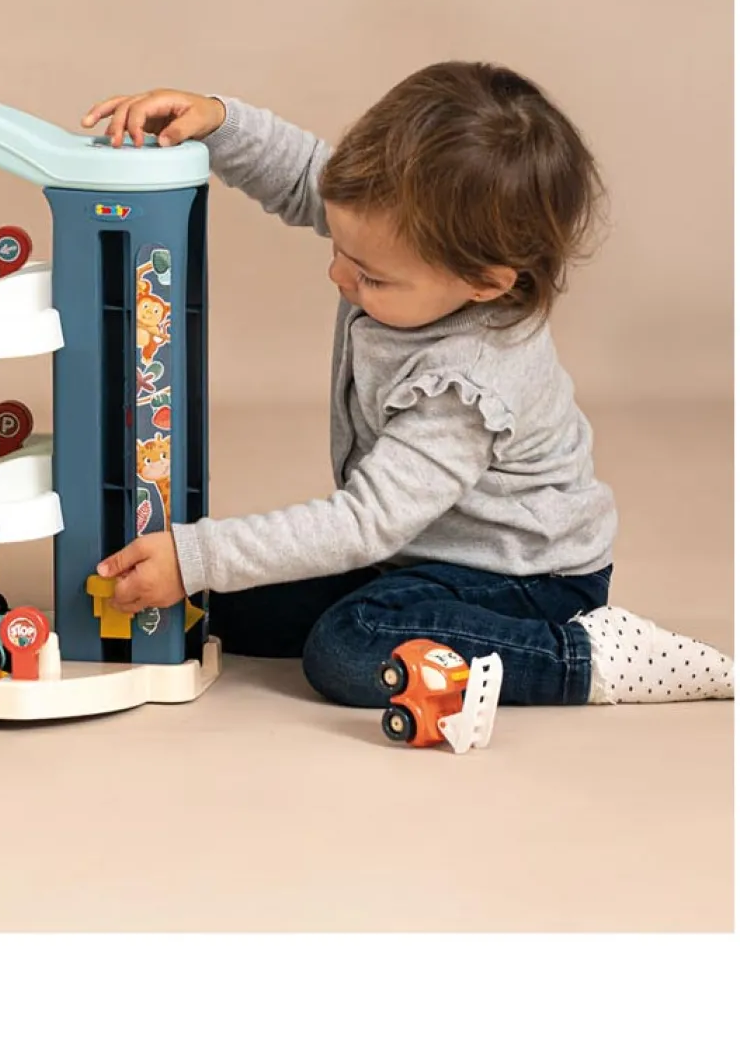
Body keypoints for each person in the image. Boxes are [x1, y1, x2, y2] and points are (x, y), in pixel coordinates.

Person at [84, 64, 733, 707]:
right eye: (340, 249)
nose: (339, 277)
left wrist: (197, 554)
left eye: (369, 276)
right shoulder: (403, 235)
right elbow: (306, 176)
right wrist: (220, 122)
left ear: (486, 283)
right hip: (416, 552)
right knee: (220, 605)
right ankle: (398, 607)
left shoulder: (469, 383)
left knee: (347, 646)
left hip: (527, 579)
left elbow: (365, 521)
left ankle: (585, 657)